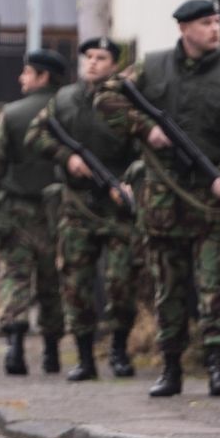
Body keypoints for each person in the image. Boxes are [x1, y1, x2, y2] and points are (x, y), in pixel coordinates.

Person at [96, 0, 220, 398]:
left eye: (217, 21)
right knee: (168, 285)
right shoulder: (152, 67)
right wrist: (144, 129)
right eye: (206, 23)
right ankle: (170, 367)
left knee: (216, 285)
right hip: (164, 200)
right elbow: (106, 98)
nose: (214, 29)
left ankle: (217, 366)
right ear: (184, 29)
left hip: (213, 199)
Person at [26, 37, 140, 380]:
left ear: (114, 64)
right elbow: (36, 134)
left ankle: (119, 351)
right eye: (88, 56)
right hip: (77, 205)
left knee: (121, 281)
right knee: (76, 282)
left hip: (117, 204)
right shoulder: (64, 100)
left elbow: (144, 144)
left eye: (101, 58)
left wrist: (132, 180)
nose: (92, 63)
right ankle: (85, 356)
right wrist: (67, 157)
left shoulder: (126, 100)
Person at [0, 49, 67, 376]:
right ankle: (53, 351)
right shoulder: (70, 108)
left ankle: (14, 347)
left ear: (42, 77)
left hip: (16, 210)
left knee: (16, 276)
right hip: (60, 211)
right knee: (52, 279)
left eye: (27, 72)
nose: (21, 78)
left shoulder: (12, 114)